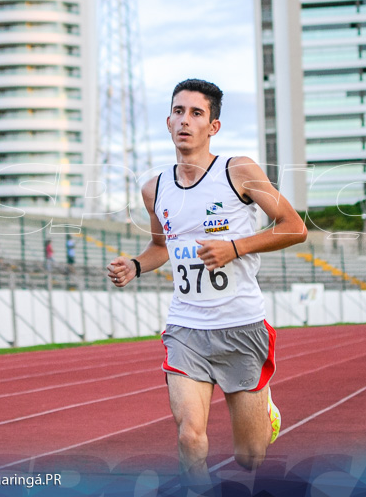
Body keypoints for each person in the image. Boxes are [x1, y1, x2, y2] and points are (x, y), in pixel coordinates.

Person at [107, 79, 307, 488]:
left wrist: (235, 247)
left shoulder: (239, 171)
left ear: (213, 126)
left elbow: (295, 228)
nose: (186, 120)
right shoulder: (154, 188)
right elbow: (161, 247)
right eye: (179, 112)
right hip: (186, 328)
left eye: (197, 113)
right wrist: (136, 265)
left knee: (249, 458)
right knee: (189, 436)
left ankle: (266, 412)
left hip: (240, 325)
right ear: (167, 121)